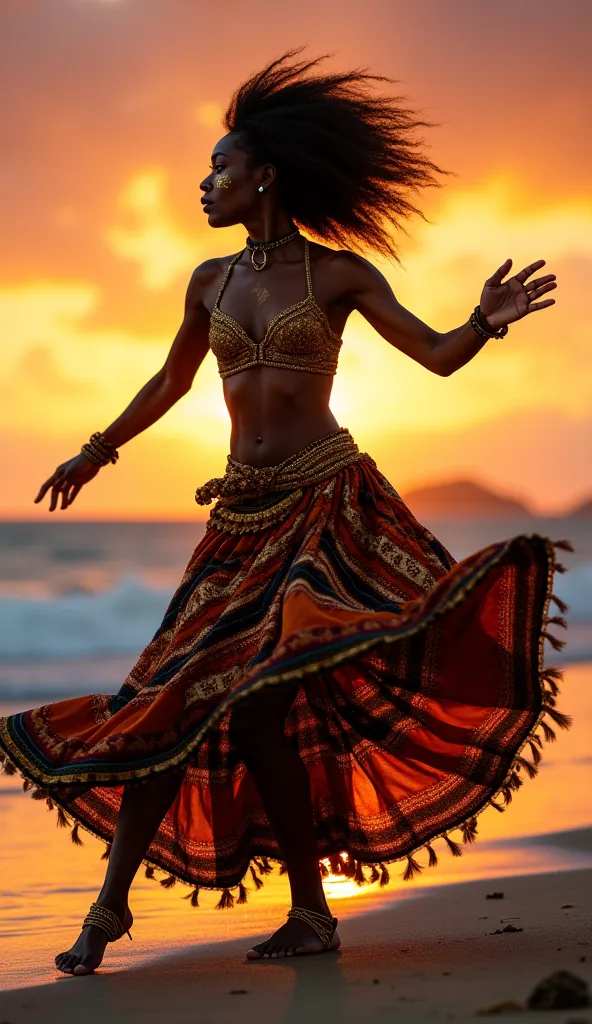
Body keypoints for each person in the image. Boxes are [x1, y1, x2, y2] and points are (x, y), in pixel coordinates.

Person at [0, 48, 571, 977]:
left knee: (261, 711)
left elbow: (433, 355)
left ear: (264, 174)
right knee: (162, 700)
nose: (205, 181)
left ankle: (311, 913)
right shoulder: (208, 281)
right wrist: (95, 450)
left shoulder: (338, 275)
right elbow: (171, 378)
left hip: (328, 505)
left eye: (220, 167)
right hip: (238, 520)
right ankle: (108, 911)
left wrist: (486, 321)